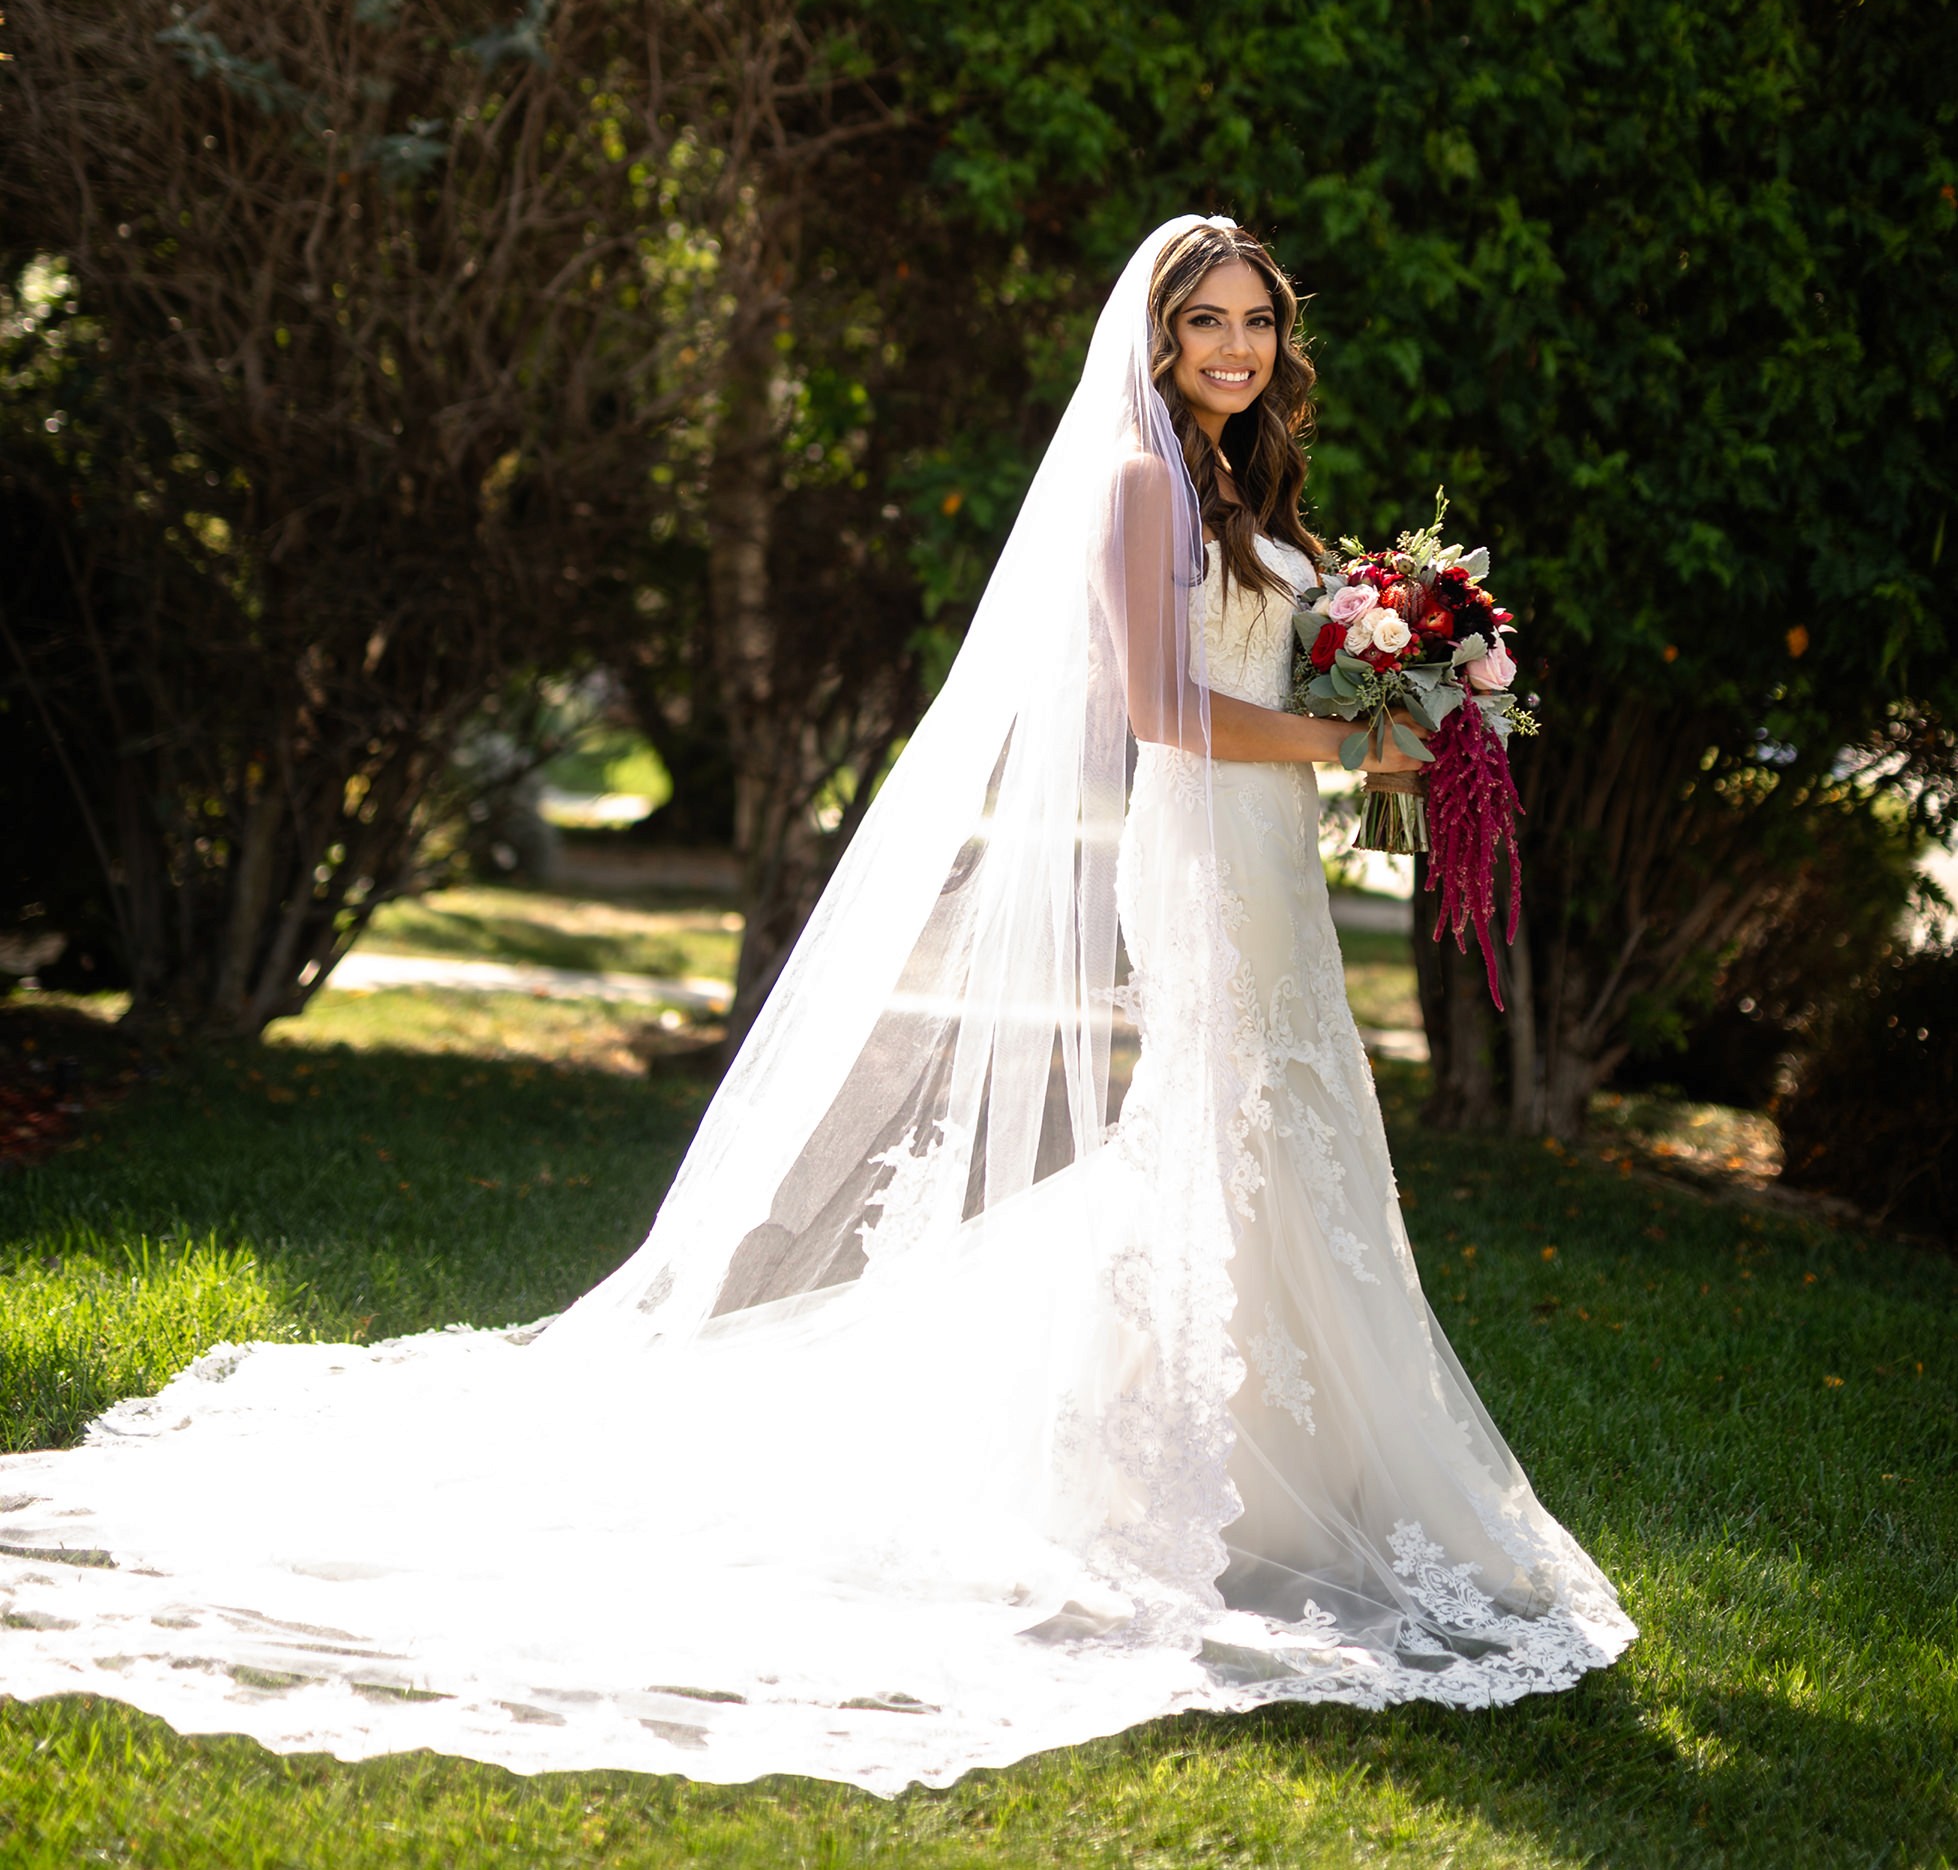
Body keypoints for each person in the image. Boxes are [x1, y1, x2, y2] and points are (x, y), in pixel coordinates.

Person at [0, 217, 1632, 1792]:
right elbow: (1158, 706)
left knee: (1277, 1135)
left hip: (1273, 861)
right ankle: (1179, 1483)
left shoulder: (1255, 486)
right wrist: (1354, 745)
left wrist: (1402, 669)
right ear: (1155, 338)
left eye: (1255, 321)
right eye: (1203, 319)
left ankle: (1285, 1482)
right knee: (1226, 1128)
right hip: (1202, 857)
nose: (1231, 345)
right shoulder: (1140, 481)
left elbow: (1281, 667)